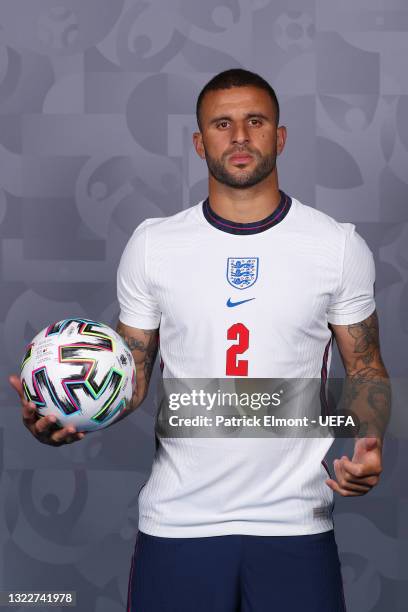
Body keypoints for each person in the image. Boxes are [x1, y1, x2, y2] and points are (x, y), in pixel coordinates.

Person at [9, 69, 390, 611]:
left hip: (294, 522)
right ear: (199, 141)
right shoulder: (154, 245)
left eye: (255, 121)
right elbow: (131, 377)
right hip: (178, 523)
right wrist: (73, 415)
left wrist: (368, 442)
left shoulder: (336, 246)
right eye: (222, 123)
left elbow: (368, 367)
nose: (239, 136)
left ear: (279, 137)